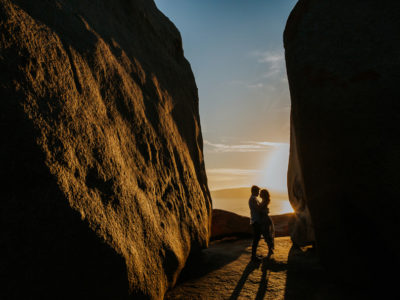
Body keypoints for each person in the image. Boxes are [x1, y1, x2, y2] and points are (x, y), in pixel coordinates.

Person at [259, 189, 275, 256]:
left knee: (266, 234)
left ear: (263, 194)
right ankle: (270, 249)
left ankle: (270, 249)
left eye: (261, 193)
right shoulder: (264, 201)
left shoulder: (265, 201)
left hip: (265, 219)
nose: (260, 194)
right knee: (266, 234)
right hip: (264, 218)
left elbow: (261, 209)